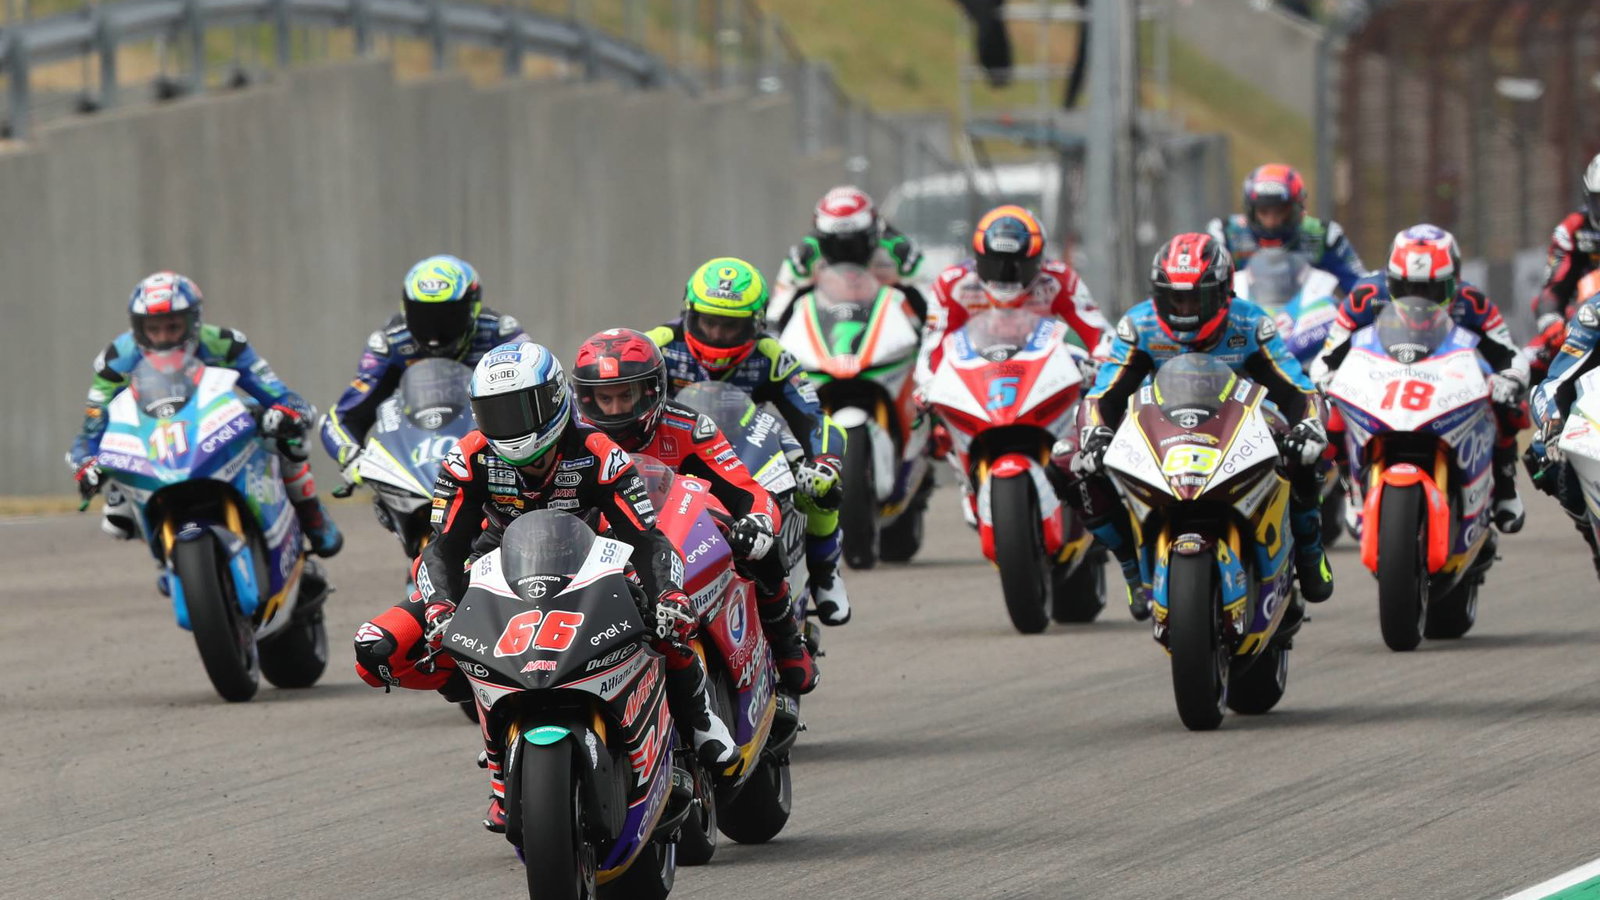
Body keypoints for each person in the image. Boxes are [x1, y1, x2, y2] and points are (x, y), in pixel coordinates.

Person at [352, 341, 741, 833]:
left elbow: (646, 540)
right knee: (377, 648)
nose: (507, 424)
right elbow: (441, 549)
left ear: (554, 400)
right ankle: (491, 710)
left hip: (596, 557)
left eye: (519, 408)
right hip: (494, 563)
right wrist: (440, 608)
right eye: (493, 412)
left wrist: (669, 595)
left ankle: (701, 720)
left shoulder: (600, 454)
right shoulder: (468, 458)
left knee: (667, 618)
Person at [1063, 233, 1333, 620]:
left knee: (1304, 454)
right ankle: (1132, 569)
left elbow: (1296, 388)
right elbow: (1103, 394)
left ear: (1223, 293)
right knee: (1073, 462)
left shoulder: (1251, 323)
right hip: (1162, 427)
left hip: (1241, 425)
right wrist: (1095, 434)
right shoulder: (1139, 325)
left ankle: (1310, 551)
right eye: (1175, 298)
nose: (1185, 309)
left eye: (1196, 298)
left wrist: (1308, 426)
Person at [571, 328, 820, 694]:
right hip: (603, 538)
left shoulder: (689, 427)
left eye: (627, 395)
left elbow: (747, 490)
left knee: (757, 544)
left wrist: (759, 520)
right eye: (603, 399)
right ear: (584, 398)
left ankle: (787, 644)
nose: (615, 410)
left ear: (652, 391)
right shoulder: (572, 438)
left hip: (682, 527)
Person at [68, 271, 342, 557]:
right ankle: (166, 557)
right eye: (153, 329)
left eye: (173, 327)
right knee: (116, 516)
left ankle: (312, 514)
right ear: (138, 328)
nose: (163, 338)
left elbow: (279, 394)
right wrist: (85, 463)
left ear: (193, 322)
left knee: (289, 437)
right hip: (152, 440)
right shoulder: (116, 360)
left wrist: (287, 411)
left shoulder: (225, 343)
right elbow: (91, 430)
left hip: (214, 426)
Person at [647, 257, 853, 626]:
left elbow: (812, 416)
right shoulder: (657, 345)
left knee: (822, 488)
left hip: (750, 443)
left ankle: (825, 572)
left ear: (757, 323)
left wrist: (824, 461)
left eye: (732, 325)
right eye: (708, 321)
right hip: (674, 448)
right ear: (688, 312)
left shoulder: (773, 357)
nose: (717, 334)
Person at [1309, 224, 1530, 533]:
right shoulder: (1365, 296)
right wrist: (1326, 379)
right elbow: (1328, 354)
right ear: (1391, 280)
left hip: (1447, 378)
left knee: (1510, 405)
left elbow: (1509, 353)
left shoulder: (1471, 301)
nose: (1418, 299)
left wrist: (1511, 379)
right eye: (1407, 288)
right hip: (1383, 378)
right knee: (1330, 412)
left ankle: (1505, 488)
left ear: (1454, 282)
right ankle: (1351, 487)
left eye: (1431, 290)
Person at [915, 204, 1109, 523]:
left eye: (1018, 266)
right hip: (980, 374)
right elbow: (933, 343)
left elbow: (1098, 331)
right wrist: (927, 383)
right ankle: (968, 479)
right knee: (934, 426)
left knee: (1098, 413)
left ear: (1038, 260)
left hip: (1041, 372)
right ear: (978, 258)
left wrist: (1100, 364)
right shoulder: (953, 283)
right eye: (995, 264)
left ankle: (1092, 485)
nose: (1006, 275)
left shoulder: (1058, 279)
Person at [319, 254, 527, 478]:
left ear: (473, 309)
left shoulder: (500, 333)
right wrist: (351, 456)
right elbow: (343, 416)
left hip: (488, 457)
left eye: (449, 316)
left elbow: (536, 389)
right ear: (406, 311)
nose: (434, 333)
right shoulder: (391, 342)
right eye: (423, 317)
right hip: (416, 465)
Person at [767, 185, 927, 331]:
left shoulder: (901, 253)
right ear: (820, 237)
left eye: (855, 242)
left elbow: (930, 308)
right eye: (834, 243)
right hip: (824, 330)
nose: (846, 253)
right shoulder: (803, 258)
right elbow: (777, 312)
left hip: (890, 329)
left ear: (873, 232)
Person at [1525, 269, 1600, 575]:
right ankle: (1591, 534)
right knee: (1543, 452)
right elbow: (1553, 384)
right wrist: (1553, 425)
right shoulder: (1594, 314)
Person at [1207, 163, 1367, 295]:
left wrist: (1370, 298)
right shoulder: (1226, 234)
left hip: (1309, 320)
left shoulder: (1324, 235)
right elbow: (1208, 291)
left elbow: (1360, 284)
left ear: (1296, 209)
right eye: (1263, 211)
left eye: (1280, 211)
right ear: (1250, 210)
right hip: (1244, 319)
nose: (1271, 221)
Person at [1523, 153, 1600, 385]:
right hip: (1585, 323)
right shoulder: (1572, 229)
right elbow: (1553, 290)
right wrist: (1552, 324)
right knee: (1522, 363)